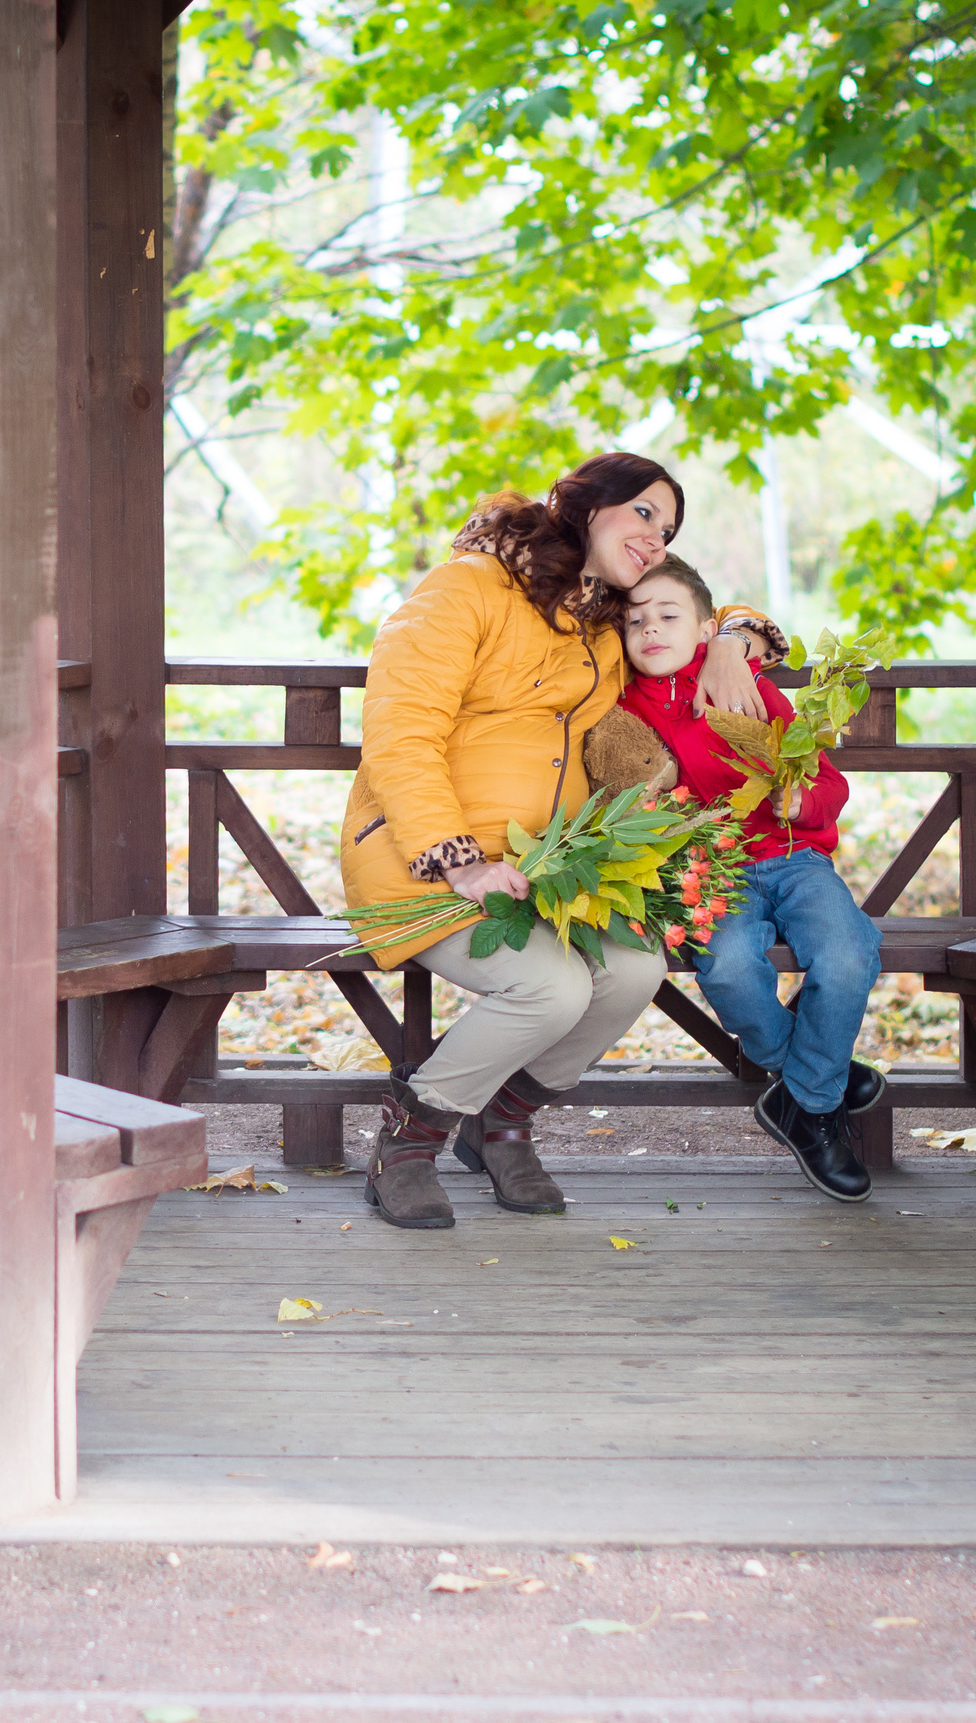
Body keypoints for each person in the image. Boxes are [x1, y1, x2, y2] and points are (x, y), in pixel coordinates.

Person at [342, 453, 784, 1230]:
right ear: (585, 504)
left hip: (544, 866)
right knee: (552, 986)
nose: (656, 537)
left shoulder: (604, 615)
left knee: (633, 966)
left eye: (670, 527)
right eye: (644, 513)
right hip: (424, 863)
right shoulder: (466, 587)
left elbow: (707, 603)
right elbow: (399, 730)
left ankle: (502, 1121)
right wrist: (459, 858)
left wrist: (729, 640)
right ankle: (409, 1142)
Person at [611, 557, 885, 1203]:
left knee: (848, 953)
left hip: (794, 856)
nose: (651, 629)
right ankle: (816, 1083)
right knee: (729, 963)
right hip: (715, 868)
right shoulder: (623, 708)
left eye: (668, 616)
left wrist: (802, 802)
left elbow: (827, 780)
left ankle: (807, 1103)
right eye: (635, 620)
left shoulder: (747, 685)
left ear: (707, 629)